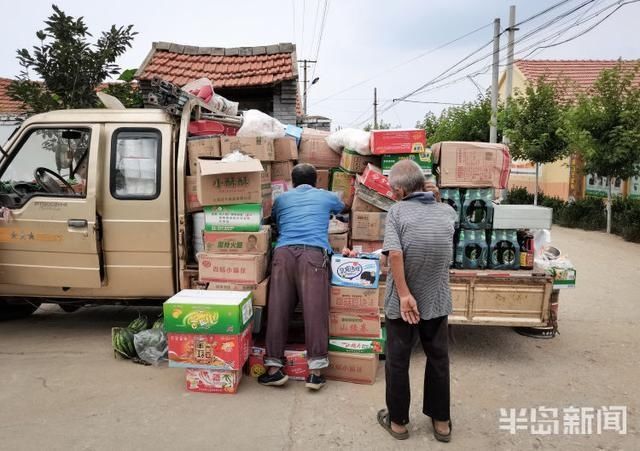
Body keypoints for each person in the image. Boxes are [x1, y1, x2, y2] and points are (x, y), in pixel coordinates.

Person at [376, 160, 457, 442]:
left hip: (403, 302)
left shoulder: (396, 212)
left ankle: (397, 422)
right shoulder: (448, 212)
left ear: (398, 190)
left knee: (397, 360)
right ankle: (442, 422)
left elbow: (394, 256)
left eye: (391, 189)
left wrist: (405, 295)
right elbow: (434, 237)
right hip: (437, 298)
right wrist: (435, 199)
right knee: (438, 359)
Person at [258, 163, 344, 390]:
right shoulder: (327, 196)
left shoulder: (282, 199)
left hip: (283, 255)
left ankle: (274, 369)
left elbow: (275, 220)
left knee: (278, 310)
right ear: (316, 181)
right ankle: (315, 373)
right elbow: (343, 208)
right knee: (315, 311)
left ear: (292, 181)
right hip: (313, 257)